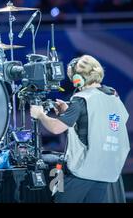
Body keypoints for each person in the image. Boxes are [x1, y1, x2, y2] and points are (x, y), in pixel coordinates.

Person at [30, 55, 130, 203]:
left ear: (78, 78)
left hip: (82, 171)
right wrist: (68, 113)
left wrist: (40, 115)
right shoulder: (113, 94)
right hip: (107, 170)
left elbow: (56, 128)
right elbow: (101, 120)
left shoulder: (81, 99)